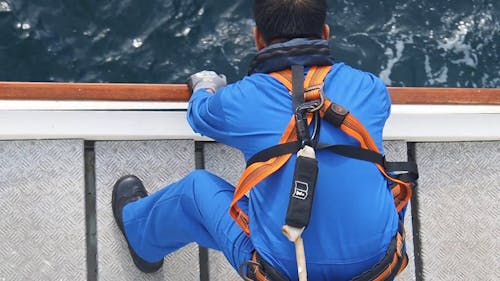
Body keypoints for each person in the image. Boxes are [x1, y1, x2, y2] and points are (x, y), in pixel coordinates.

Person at [112, 0, 411, 280]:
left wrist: (205, 85)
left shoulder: (239, 100)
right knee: (385, 174)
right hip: (380, 266)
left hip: (284, 273)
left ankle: (141, 239)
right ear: (325, 34)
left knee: (195, 191)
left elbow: (200, 116)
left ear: (258, 38)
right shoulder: (371, 90)